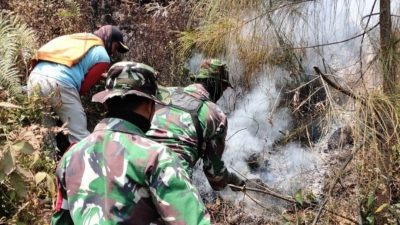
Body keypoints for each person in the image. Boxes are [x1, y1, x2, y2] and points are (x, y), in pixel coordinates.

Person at [51, 61, 211, 225]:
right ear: (149, 105)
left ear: (106, 102)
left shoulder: (70, 157)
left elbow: (61, 220)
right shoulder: (157, 157)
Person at [146, 58, 245, 191]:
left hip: (132, 163)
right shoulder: (215, 114)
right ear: (216, 84)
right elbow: (216, 178)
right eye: (223, 88)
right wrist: (231, 179)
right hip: (170, 181)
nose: (222, 93)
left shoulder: (164, 92)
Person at [27, 25, 129, 147]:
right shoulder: (103, 56)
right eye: (115, 46)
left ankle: (46, 163)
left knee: (44, 133)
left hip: (35, 78)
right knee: (79, 134)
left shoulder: (79, 40)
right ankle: (86, 163)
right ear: (109, 39)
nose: (113, 52)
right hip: (60, 83)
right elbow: (82, 89)